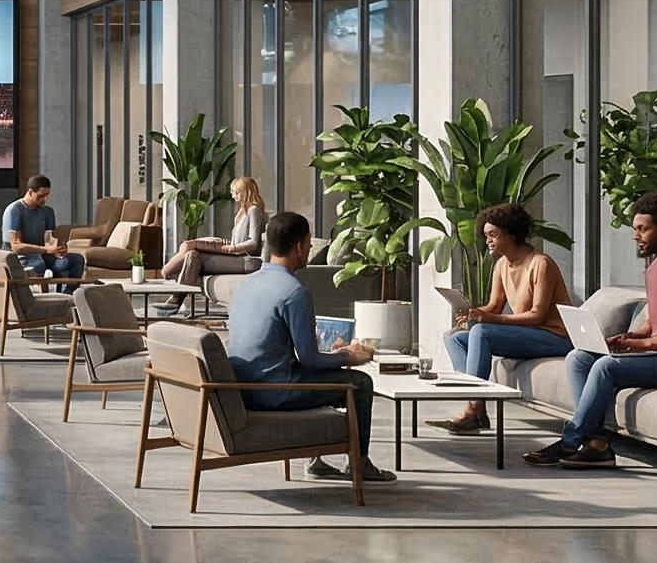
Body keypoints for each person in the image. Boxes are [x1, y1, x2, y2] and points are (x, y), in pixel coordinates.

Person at [523, 192, 657, 470]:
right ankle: (597, 443)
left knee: (606, 367)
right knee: (579, 358)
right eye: (634, 229)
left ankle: (570, 441)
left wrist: (643, 345)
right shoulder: (654, 270)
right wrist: (633, 336)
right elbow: (656, 321)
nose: (635, 236)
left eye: (642, 229)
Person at [227, 210, 395, 484]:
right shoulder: (295, 292)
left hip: (244, 388)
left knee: (330, 378)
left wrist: (330, 353)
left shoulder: (245, 285)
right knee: (360, 383)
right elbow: (310, 362)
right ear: (300, 246)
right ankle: (359, 464)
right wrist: (347, 356)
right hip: (274, 391)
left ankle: (315, 460)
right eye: (307, 243)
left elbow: (277, 346)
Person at [431, 202, 573, 435]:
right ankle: (475, 406)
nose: (488, 240)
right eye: (486, 235)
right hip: (528, 333)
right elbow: (495, 306)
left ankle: (473, 409)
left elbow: (537, 314)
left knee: (481, 332)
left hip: (554, 336)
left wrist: (488, 320)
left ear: (512, 234)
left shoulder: (540, 264)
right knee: (454, 337)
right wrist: (473, 313)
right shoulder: (501, 265)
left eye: (493, 235)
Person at [156, 174, 267, 314]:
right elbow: (239, 240)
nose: (233, 196)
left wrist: (233, 248)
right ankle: (175, 300)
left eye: (236, 192)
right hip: (236, 254)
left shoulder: (254, 210)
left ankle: (175, 301)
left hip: (245, 259)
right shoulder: (242, 212)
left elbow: (253, 242)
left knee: (193, 256)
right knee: (192, 253)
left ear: (246, 192)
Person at [1, 175, 85, 286]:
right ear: (31, 192)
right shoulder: (15, 210)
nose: (44, 199)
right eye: (41, 196)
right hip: (20, 256)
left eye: (47, 195)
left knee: (77, 260)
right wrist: (46, 250)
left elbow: (49, 238)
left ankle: (68, 295)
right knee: (38, 265)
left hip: (41, 254)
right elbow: (15, 246)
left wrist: (57, 248)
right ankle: (31, 295)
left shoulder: (47, 211)